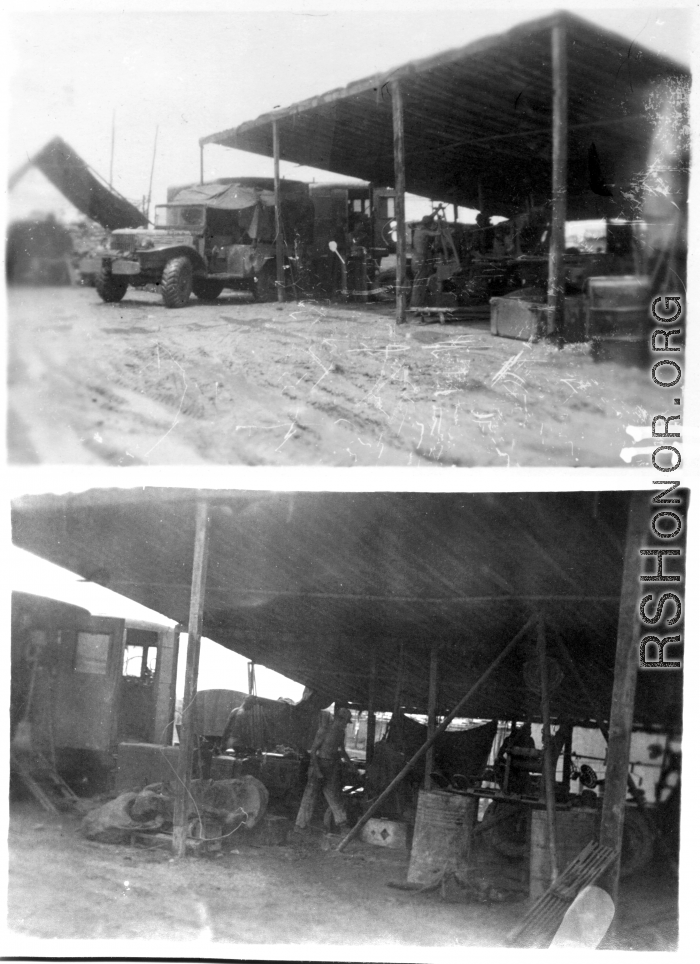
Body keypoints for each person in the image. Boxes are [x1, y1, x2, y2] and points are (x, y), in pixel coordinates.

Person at [294, 703, 354, 833]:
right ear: (339, 719)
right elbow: (314, 751)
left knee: (333, 795)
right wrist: (317, 770)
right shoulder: (324, 730)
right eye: (345, 721)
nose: (346, 724)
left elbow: (342, 751)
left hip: (331, 767)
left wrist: (351, 765)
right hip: (319, 765)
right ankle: (300, 826)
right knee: (310, 796)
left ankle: (342, 824)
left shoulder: (340, 733)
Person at [409, 215, 440, 308]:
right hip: (420, 258)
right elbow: (438, 233)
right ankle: (415, 306)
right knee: (419, 283)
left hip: (417, 258)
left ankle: (417, 305)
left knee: (419, 282)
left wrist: (437, 211)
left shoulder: (418, 230)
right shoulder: (424, 231)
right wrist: (440, 224)